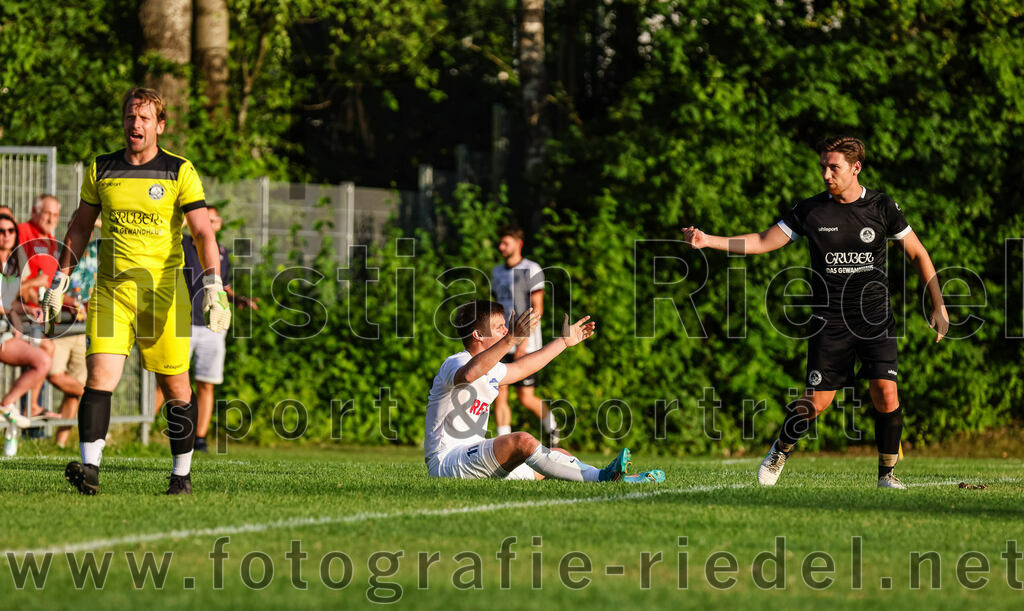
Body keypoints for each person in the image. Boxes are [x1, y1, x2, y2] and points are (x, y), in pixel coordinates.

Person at [682, 136, 948, 489]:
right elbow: (763, 241)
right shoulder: (811, 211)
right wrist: (708, 240)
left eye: (833, 166)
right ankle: (780, 449)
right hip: (830, 323)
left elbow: (918, 254)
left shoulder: (883, 207)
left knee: (886, 393)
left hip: (875, 320)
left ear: (856, 168)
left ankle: (887, 475)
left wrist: (938, 304)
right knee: (816, 402)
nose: (825, 173)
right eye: (823, 165)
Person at [43, 87, 231, 495]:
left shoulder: (179, 170)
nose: (136, 124)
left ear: (160, 126)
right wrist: (61, 277)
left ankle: (181, 475)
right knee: (99, 378)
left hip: (165, 294)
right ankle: (90, 469)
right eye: (131, 116)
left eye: (145, 118)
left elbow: (202, 231)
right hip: (112, 292)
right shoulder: (103, 168)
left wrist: (213, 284)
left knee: (176, 387)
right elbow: (78, 226)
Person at [424, 299, 664, 483]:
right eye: (499, 328)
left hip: (475, 458)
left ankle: (619, 479)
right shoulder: (455, 362)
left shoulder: (493, 369)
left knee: (557, 453)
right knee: (523, 441)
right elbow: (469, 374)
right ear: (477, 335)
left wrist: (563, 342)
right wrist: (512, 341)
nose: (506, 331)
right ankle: (603, 478)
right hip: (447, 462)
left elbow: (522, 367)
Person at [153, 207, 257, 452]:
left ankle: (199, 438)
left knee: (206, 384)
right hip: (182, 323)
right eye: (204, 219)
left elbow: (224, 287)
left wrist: (237, 299)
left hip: (212, 326)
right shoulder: (183, 245)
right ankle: (143, 430)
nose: (208, 224)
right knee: (168, 381)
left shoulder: (222, 253)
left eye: (213, 220)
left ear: (219, 224)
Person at [490, 224, 560, 445]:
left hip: (525, 344)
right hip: (501, 342)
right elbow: (496, 309)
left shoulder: (532, 268)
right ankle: (502, 446)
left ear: (518, 244)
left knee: (525, 397)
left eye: (506, 242)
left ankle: (553, 429)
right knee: (499, 392)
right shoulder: (497, 272)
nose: (501, 246)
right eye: (500, 242)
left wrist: (523, 342)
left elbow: (537, 308)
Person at [0, 213, 53, 428]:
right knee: (43, 358)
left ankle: (12, 406)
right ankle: (12, 406)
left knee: (45, 355)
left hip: (5, 332)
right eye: (1, 231)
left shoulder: (13, 263)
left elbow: (9, 301)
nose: (6, 235)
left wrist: (27, 312)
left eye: (11, 231)